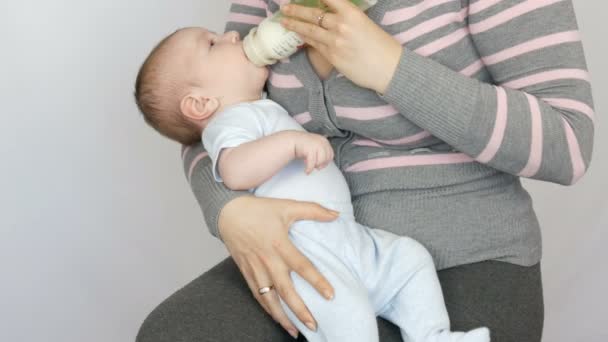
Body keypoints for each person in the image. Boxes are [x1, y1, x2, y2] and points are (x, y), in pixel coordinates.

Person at [136, 0, 595, 341]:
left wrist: (392, 69)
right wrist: (230, 213)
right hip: (312, 250)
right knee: (173, 333)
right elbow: (209, 121)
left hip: (465, 254)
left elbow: (569, 143)